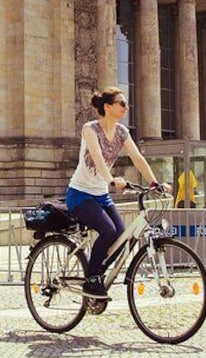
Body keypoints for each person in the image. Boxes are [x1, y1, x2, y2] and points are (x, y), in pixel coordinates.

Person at [65, 87, 169, 299]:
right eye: (121, 103)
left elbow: (137, 157)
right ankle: (92, 279)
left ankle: (97, 274)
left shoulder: (121, 132)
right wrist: (111, 180)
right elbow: (97, 157)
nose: (126, 107)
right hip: (80, 194)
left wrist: (154, 183)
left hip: (101, 195)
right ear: (108, 107)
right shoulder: (90, 129)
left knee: (121, 238)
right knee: (108, 230)